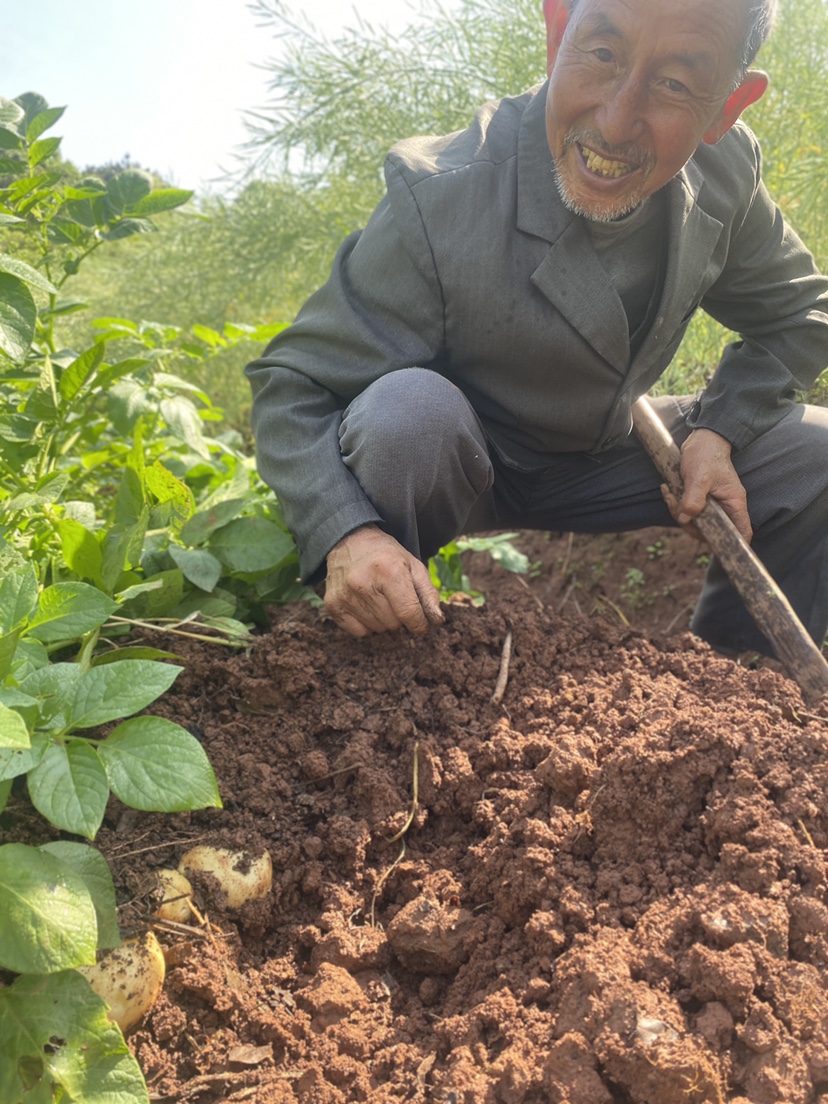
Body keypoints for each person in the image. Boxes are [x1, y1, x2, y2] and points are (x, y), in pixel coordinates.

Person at [246, 0, 828, 656]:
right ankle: (387, 659)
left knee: (816, 454)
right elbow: (291, 386)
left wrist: (720, 430)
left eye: (675, 83)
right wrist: (346, 534)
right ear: (557, 31)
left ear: (728, 106)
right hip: (464, 460)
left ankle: (743, 689)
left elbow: (804, 312)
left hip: (608, 453)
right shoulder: (445, 196)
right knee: (405, 418)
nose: (615, 122)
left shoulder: (723, 173)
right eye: (604, 54)